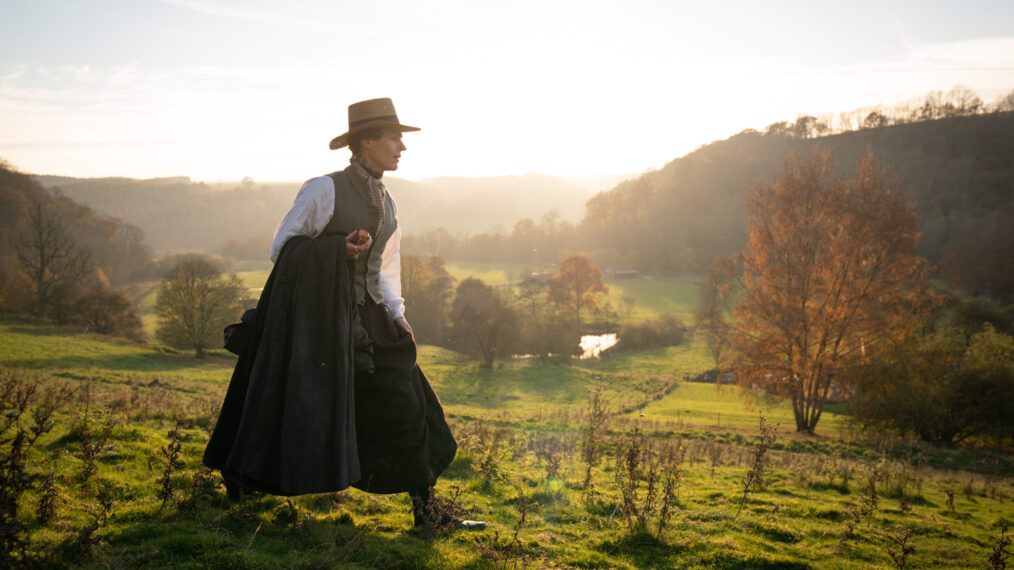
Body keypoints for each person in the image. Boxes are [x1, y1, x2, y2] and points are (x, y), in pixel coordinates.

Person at [203, 98, 474, 530]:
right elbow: (283, 248)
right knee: (292, 404)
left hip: (371, 319)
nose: (402, 146)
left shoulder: (388, 201)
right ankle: (240, 480)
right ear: (367, 141)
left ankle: (427, 513)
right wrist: (335, 251)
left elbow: (387, 265)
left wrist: (397, 312)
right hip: (322, 321)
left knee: (409, 406)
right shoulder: (323, 189)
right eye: (394, 137)